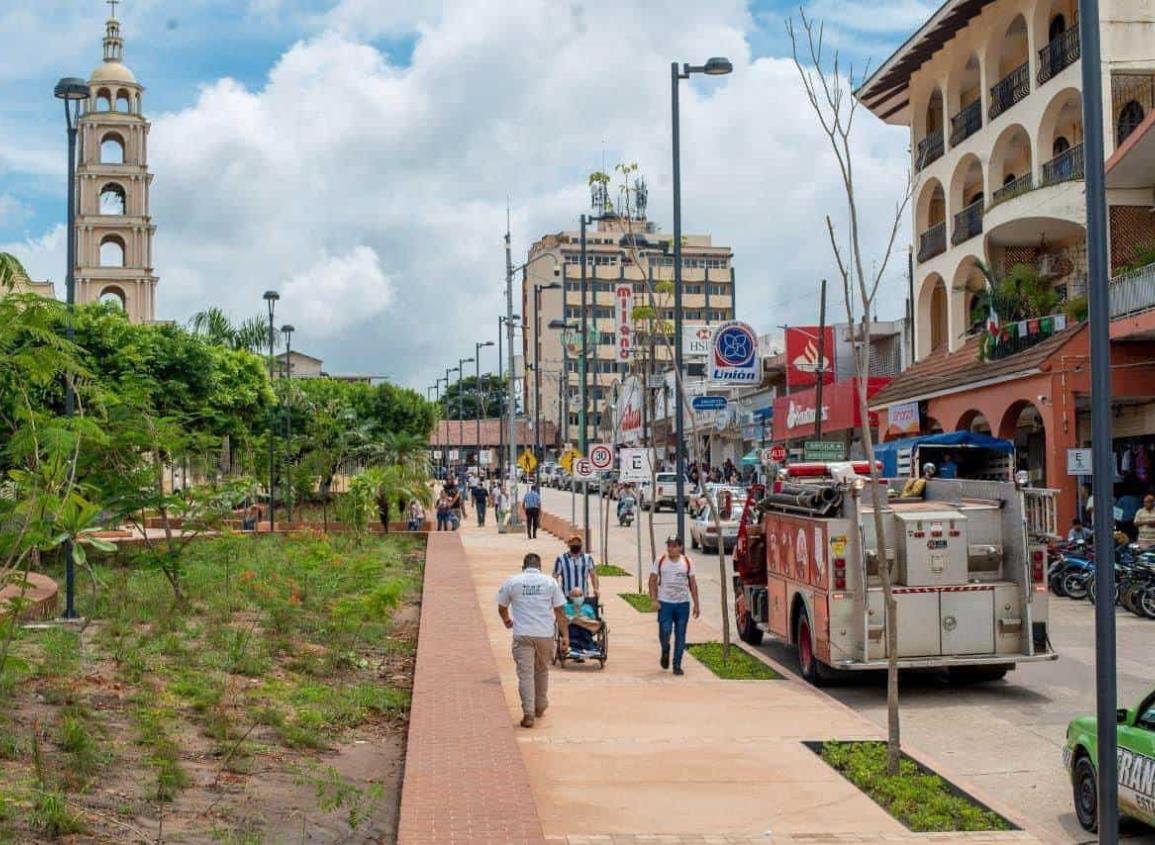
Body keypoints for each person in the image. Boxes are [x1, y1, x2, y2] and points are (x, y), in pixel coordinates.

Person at [496, 553, 568, 728]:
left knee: (525, 674)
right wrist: (566, 636)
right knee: (542, 670)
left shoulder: (513, 581)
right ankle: (540, 706)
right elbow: (560, 611)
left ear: (523, 567)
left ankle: (528, 713)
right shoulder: (550, 582)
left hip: (523, 634)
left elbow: (502, 606)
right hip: (545, 634)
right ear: (540, 567)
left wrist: (507, 621)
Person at [647, 536, 699, 676]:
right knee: (665, 631)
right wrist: (654, 599)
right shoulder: (660, 561)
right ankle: (665, 649)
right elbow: (652, 581)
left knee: (680, 635)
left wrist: (696, 604)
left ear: (680, 548)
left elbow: (693, 583)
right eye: (669, 545)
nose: (671, 548)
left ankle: (677, 664)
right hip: (665, 603)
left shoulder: (687, 562)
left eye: (674, 546)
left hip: (683, 604)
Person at [563, 587, 601, 656]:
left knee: (584, 631)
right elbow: (563, 619)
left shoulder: (587, 607)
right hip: (571, 628)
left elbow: (593, 621)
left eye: (580, 595)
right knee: (573, 629)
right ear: (571, 597)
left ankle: (591, 648)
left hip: (585, 627)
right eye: (576, 596)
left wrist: (583, 619)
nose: (579, 598)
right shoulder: (566, 607)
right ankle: (576, 649)